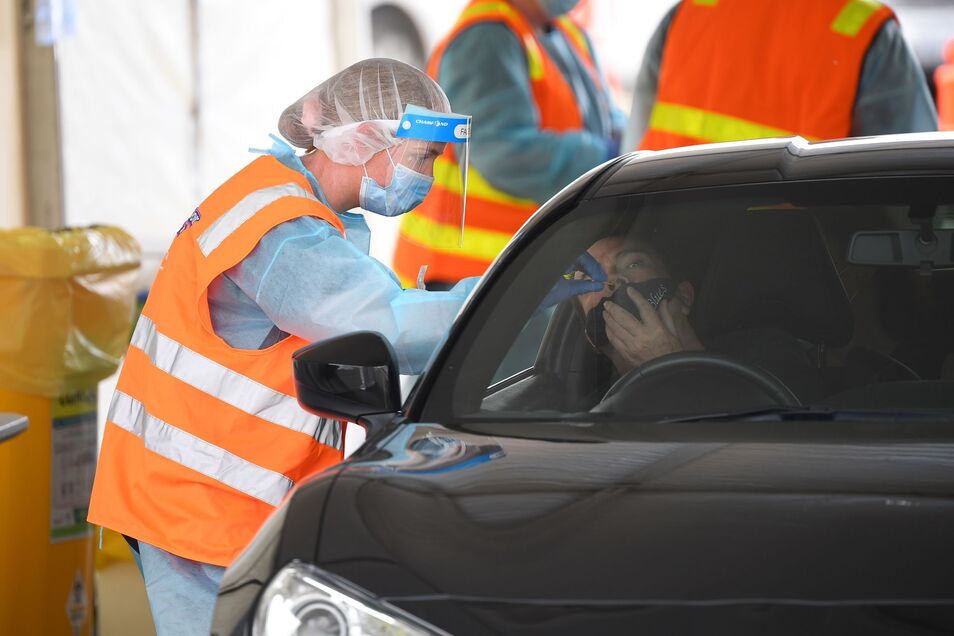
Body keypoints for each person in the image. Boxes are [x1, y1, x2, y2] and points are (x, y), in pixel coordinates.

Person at [87, 59, 485, 636]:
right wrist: (519, 294)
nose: (429, 175)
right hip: (197, 502)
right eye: (424, 157)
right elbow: (387, 329)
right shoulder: (281, 231)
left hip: (207, 495)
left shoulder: (287, 205)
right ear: (365, 139)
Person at [392, 0, 625, 289]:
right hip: (465, 279)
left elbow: (604, 118)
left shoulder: (566, 33)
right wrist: (604, 158)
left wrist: (628, 145)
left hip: (516, 269)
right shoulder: (487, 36)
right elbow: (501, 153)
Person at [624, 0, 938, 152]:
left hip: (672, 245)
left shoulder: (692, 12)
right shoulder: (861, 29)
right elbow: (915, 178)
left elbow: (635, 151)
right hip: (804, 253)